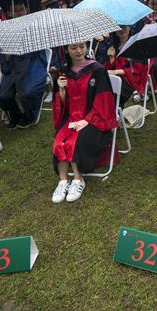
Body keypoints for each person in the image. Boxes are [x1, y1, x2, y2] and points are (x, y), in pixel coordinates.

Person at [50, 41, 118, 203]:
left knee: (76, 140)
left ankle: (78, 179)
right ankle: (63, 181)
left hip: (95, 119)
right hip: (71, 117)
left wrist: (87, 121)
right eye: (73, 48)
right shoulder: (63, 72)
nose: (79, 51)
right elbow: (62, 105)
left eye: (82, 46)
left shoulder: (97, 70)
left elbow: (104, 102)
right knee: (59, 141)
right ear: (66, 50)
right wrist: (61, 91)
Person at [0, 0, 48, 128]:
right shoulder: (6, 29)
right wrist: (7, 56)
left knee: (27, 93)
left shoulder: (35, 27)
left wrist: (21, 48)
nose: (20, 13)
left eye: (22, 9)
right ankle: (15, 114)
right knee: (3, 95)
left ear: (26, 10)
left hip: (32, 65)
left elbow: (38, 52)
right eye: (16, 10)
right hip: (14, 66)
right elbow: (3, 57)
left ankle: (29, 116)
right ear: (9, 13)